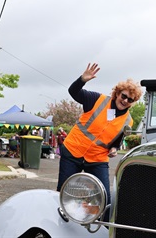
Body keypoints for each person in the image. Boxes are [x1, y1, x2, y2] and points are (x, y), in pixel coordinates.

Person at [56, 63, 142, 218]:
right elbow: (73, 91)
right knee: (64, 191)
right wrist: (82, 80)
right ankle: (61, 220)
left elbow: (116, 142)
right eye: (123, 96)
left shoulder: (128, 122)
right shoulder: (96, 99)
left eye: (130, 99)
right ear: (117, 93)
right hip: (73, 149)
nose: (125, 100)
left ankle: (98, 226)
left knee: (104, 199)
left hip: (97, 158)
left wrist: (114, 149)